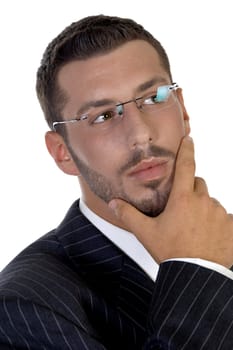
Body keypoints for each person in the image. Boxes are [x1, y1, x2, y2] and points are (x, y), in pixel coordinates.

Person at [0, 14, 233, 350]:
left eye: (154, 98)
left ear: (182, 110)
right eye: (103, 116)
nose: (140, 135)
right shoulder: (23, 309)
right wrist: (197, 269)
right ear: (62, 152)